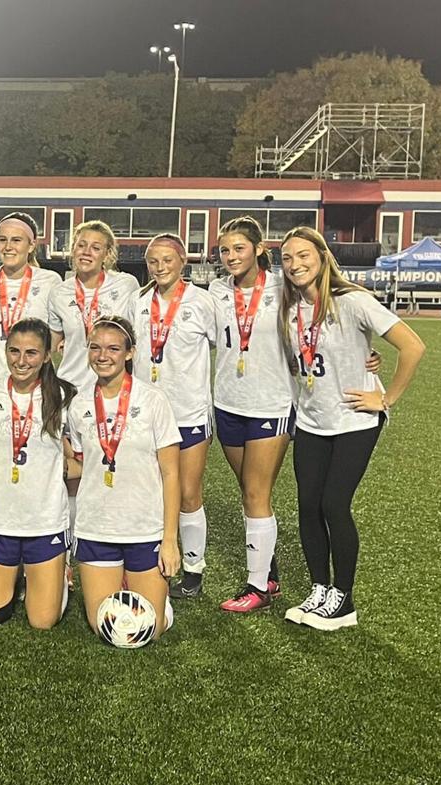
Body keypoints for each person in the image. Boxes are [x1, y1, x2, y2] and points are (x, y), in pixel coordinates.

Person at [278, 227, 424, 630]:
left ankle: (345, 600)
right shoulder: (290, 309)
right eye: (288, 258)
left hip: (355, 419)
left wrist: (386, 397)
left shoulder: (354, 300)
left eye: (304, 255)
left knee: (333, 504)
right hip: (312, 420)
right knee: (307, 506)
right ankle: (319, 589)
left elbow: (413, 346)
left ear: (323, 257)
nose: (295, 265)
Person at [66, 315, 180, 640]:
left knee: (148, 631)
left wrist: (169, 541)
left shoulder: (153, 400)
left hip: (144, 528)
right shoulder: (80, 405)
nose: (103, 356)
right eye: (95, 348)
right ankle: (129, 584)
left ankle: (160, 604)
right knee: (106, 627)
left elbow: (172, 473)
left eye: (113, 348)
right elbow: (81, 466)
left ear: (129, 353)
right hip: (96, 527)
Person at [204, 216, 294, 610]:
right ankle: (269, 574)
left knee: (258, 493)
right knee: (248, 492)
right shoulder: (214, 290)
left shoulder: (283, 288)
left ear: (259, 249)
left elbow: (324, 319)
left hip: (270, 404)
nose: (231, 257)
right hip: (227, 403)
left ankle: (257, 588)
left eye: (239, 248)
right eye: (225, 250)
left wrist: (366, 358)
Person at [123, 235, 218, 602]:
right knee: (148, 492)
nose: (160, 268)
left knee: (188, 494)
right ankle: (145, 561)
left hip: (189, 412)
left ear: (182, 261)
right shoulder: (139, 301)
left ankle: (193, 569)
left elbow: (227, 345)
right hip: (147, 414)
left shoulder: (201, 301)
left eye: (167, 260)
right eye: (152, 262)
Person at [0, 319, 76, 628]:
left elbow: (82, 458)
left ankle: (56, 569)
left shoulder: (64, 396)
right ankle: (18, 574)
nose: (21, 360)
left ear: (46, 356)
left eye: (31, 353)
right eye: (13, 351)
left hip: (44, 522)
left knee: (43, 622)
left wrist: (62, 468)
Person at [47, 219, 139, 545]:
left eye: (95, 247)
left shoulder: (126, 285)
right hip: (71, 392)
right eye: (81, 245)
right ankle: (71, 548)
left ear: (108, 255)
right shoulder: (58, 291)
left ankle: (115, 537)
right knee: (72, 472)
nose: (86, 252)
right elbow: (55, 344)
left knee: (112, 466)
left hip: (113, 392)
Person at [0, 212, 63, 382]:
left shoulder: (50, 281)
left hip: (36, 381)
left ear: (31, 245)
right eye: (2, 239)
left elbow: (56, 334)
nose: (8, 246)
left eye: (16, 240)